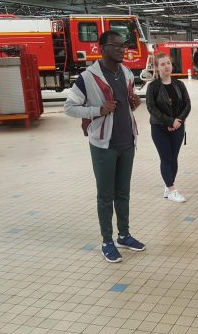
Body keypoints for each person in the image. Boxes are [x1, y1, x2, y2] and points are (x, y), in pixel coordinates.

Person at [64, 30, 145, 263]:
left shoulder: (127, 73)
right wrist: (97, 110)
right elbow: (69, 107)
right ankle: (107, 241)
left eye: (123, 46)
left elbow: (127, 103)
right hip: (103, 144)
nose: (122, 49)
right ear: (103, 48)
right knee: (105, 195)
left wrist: (134, 103)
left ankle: (124, 235)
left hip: (127, 141)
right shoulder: (87, 77)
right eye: (116, 45)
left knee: (123, 193)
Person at [146, 53, 192, 203]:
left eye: (168, 63)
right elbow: (151, 108)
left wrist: (178, 121)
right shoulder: (153, 86)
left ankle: (168, 186)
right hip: (159, 128)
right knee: (165, 158)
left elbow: (187, 105)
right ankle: (172, 189)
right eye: (163, 64)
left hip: (178, 127)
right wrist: (169, 122)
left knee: (173, 158)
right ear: (156, 67)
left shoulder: (179, 84)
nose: (167, 66)